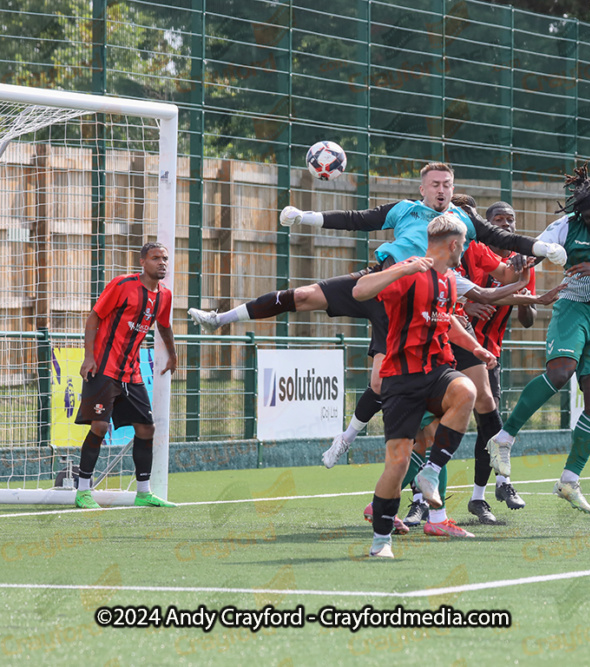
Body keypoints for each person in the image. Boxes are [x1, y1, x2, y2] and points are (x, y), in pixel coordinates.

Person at [187, 163, 565, 464]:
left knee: (392, 384)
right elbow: (357, 219)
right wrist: (306, 218)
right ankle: (219, 319)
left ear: (453, 189)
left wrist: (543, 248)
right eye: (434, 184)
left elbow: (504, 242)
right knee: (302, 295)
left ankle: (353, 440)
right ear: (422, 189)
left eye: (447, 184)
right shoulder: (404, 210)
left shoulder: (463, 223)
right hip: (378, 282)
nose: (441, 189)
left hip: (413, 306)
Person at [486, 164, 590, 514]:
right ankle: (504, 438)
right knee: (561, 372)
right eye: (588, 217)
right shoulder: (566, 225)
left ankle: (569, 480)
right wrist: (525, 257)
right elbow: (538, 247)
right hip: (573, 309)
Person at [352, 213, 496, 557]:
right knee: (397, 463)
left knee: (467, 391)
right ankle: (381, 541)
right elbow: (359, 291)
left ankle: (430, 473)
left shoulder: (448, 279)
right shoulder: (410, 271)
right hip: (400, 381)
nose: (465, 249)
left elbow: (446, 321)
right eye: (465, 245)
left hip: (435, 372)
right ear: (455, 244)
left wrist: (474, 346)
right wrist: (401, 269)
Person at [74, 242, 178, 509]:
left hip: (131, 373)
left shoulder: (164, 296)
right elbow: (94, 317)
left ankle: (143, 492)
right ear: (142, 262)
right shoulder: (122, 285)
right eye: (156, 258)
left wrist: (173, 354)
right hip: (103, 369)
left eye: (165, 258)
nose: (162, 262)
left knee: (146, 428)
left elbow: (164, 326)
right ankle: (83, 491)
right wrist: (89, 356)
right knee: (99, 426)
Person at [459, 201, 539, 525]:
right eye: (499, 220)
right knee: (432, 426)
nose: (506, 225)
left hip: (488, 354)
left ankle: (481, 498)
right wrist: (470, 305)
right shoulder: (472, 250)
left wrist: (525, 282)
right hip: (455, 348)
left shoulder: (518, 262)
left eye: (511, 220)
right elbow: (453, 294)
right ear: (485, 224)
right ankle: (420, 499)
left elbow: (529, 318)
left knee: (487, 426)